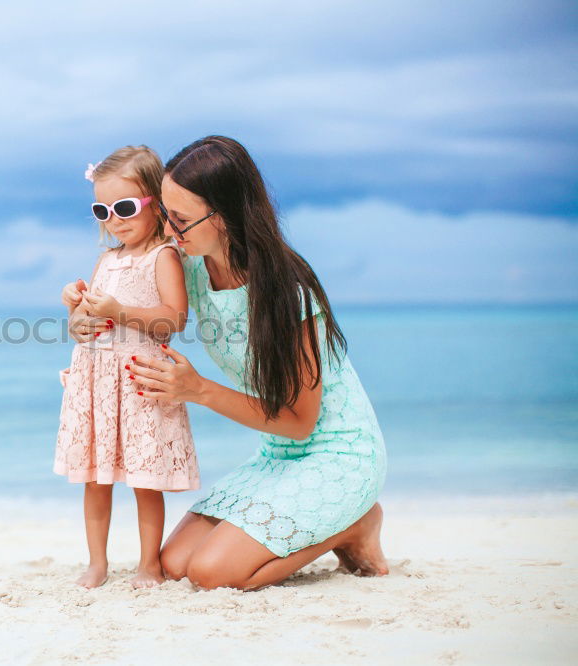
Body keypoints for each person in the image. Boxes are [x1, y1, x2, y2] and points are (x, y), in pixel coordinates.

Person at [67, 135, 388, 591]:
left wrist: (196, 389)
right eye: (164, 212)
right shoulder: (190, 265)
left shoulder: (287, 292)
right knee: (175, 563)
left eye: (178, 218)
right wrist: (80, 314)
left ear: (221, 216)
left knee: (211, 573)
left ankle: (354, 525)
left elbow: (300, 423)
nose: (168, 228)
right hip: (276, 457)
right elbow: (135, 297)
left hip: (337, 455)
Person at [55, 145, 200, 590]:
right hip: (97, 381)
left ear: (157, 203)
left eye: (124, 207)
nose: (113, 219)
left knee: (144, 480)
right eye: (102, 209)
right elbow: (87, 328)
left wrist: (119, 310)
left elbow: (173, 319)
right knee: (96, 479)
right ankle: (97, 563)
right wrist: (78, 314)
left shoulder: (163, 257)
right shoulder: (107, 260)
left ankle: (148, 564)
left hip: (139, 380)